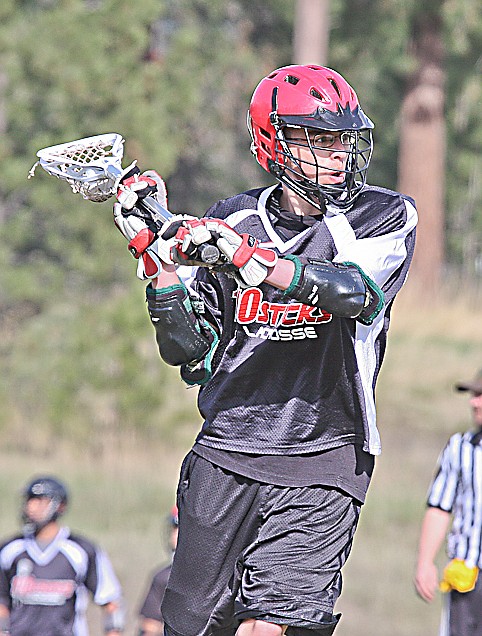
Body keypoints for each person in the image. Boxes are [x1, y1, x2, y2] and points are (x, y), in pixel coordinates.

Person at [113, 64, 417, 636]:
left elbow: (353, 292)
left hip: (323, 453)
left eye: (344, 139)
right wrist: (160, 263)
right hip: (226, 449)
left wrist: (248, 259)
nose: (339, 154)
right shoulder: (234, 216)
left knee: (269, 626)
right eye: (321, 140)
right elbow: (190, 353)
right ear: (274, 145)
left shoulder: (382, 215)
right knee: (190, 627)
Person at [0, 476, 125, 636]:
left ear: (59, 505)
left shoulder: (81, 550)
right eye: (30, 500)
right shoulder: (10, 549)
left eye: (39, 501)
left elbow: (110, 601)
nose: (31, 507)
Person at [414, 368, 482, 636]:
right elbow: (440, 507)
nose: (473, 402)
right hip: (469, 574)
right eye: (473, 395)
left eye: (480, 395)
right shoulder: (460, 448)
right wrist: (425, 563)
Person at [137, 505, 179, 636]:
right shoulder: (162, 577)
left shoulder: (166, 578)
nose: (173, 535)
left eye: (176, 528)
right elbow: (149, 626)